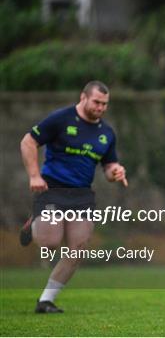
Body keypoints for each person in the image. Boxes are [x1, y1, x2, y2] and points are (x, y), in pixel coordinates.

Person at [19, 81, 127, 313]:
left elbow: (108, 167)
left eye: (105, 104)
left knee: (78, 248)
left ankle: (46, 300)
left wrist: (115, 171)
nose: (100, 108)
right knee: (50, 242)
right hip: (53, 188)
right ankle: (33, 223)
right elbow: (28, 141)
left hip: (82, 194)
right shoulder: (61, 119)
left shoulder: (106, 133)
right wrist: (34, 176)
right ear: (83, 97)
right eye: (97, 102)